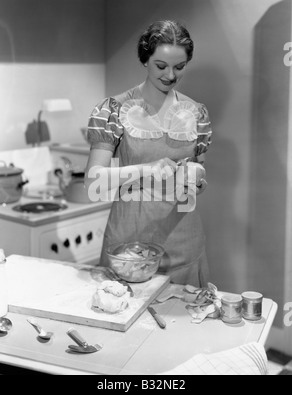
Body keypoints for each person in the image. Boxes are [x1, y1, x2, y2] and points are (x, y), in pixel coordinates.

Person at [85, 20, 212, 286]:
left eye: (179, 67)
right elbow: (93, 182)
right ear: (145, 59)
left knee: (185, 323)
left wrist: (196, 179)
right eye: (161, 66)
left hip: (184, 241)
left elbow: (198, 170)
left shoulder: (196, 113)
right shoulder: (113, 110)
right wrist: (146, 169)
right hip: (128, 245)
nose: (170, 76)